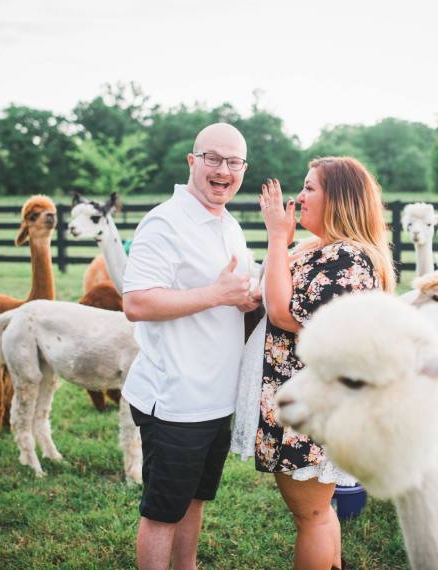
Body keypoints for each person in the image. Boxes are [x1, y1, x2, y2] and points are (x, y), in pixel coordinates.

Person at [122, 122, 261, 570]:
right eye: (213, 159)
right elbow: (137, 302)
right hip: (176, 398)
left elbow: (231, 295)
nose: (223, 170)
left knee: (195, 501)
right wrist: (216, 295)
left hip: (216, 399)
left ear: (243, 169)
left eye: (233, 162)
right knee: (163, 512)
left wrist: (246, 298)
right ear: (192, 162)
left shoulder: (230, 224)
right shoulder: (165, 222)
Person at [256, 157, 396, 570]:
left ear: (339, 199)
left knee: (312, 516)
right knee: (320, 512)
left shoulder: (348, 261)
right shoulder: (321, 249)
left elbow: (284, 314)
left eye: (309, 188)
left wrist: (277, 238)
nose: (298, 198)